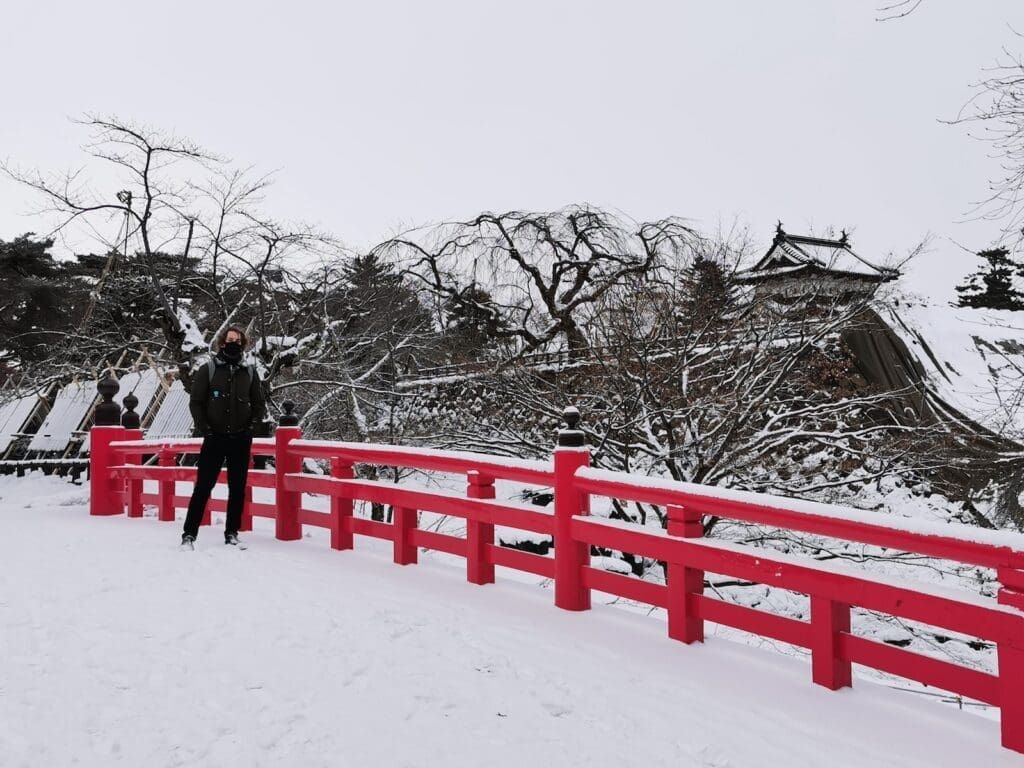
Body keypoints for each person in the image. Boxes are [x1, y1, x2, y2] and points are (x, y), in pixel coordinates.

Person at [180, 326, 266, 550]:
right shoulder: (208, 369)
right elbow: (196, 402)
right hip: (214, 436)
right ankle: (189, 534)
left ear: (243, 344)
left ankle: (232, 533)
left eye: (238, 341)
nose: (234, 343)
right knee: (203, 487)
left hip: (240, 438)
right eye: (230, 339)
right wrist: (205, 428)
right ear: (222, 342)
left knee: (237, 488)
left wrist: (251, 428)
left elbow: (259, 404)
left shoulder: (248, 372)